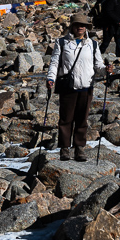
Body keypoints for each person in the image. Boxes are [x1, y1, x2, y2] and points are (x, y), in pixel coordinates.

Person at [46, 14, 111, 162]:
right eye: (77, 25)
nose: (80, 27)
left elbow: (98, 65)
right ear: (72, 26)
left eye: (83, 25)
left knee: (82, 119)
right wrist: (50, 78)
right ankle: (64, 148)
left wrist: (106, 70)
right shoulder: (61, 42)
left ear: (86, 28)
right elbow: (54, 63)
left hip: (86, 87)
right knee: (66, 119)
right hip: (68, 86)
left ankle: (79, 148)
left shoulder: (93, 44)